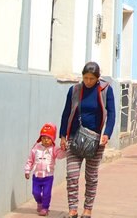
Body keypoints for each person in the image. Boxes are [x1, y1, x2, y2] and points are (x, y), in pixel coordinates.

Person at [59, 61, 115, 218]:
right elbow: (66, 113)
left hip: (96, 141)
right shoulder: (75, 90)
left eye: (91, 78)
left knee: (91, 176)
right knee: (72, 175)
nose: (88, 81)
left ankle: (88, 209)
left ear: (98, 78)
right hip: (74, 138)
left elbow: (112, 113)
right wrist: (63, 135)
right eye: (86, 78)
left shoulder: (105, 90)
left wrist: (107, 134)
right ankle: (72, 210)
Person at [24, 123, 63, 216]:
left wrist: (65, 150)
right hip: (36, 176)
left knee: (46, 193)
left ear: (52, 139)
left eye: (48, 138)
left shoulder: (54, 149)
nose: (46, 140)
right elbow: (30, 160)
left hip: (48, 177)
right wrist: (27, 170)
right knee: (35, 192)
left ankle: (45, 208)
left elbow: (60, 156)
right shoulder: (36, 148)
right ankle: (39, 203)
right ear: (40, 138)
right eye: (43, 138)